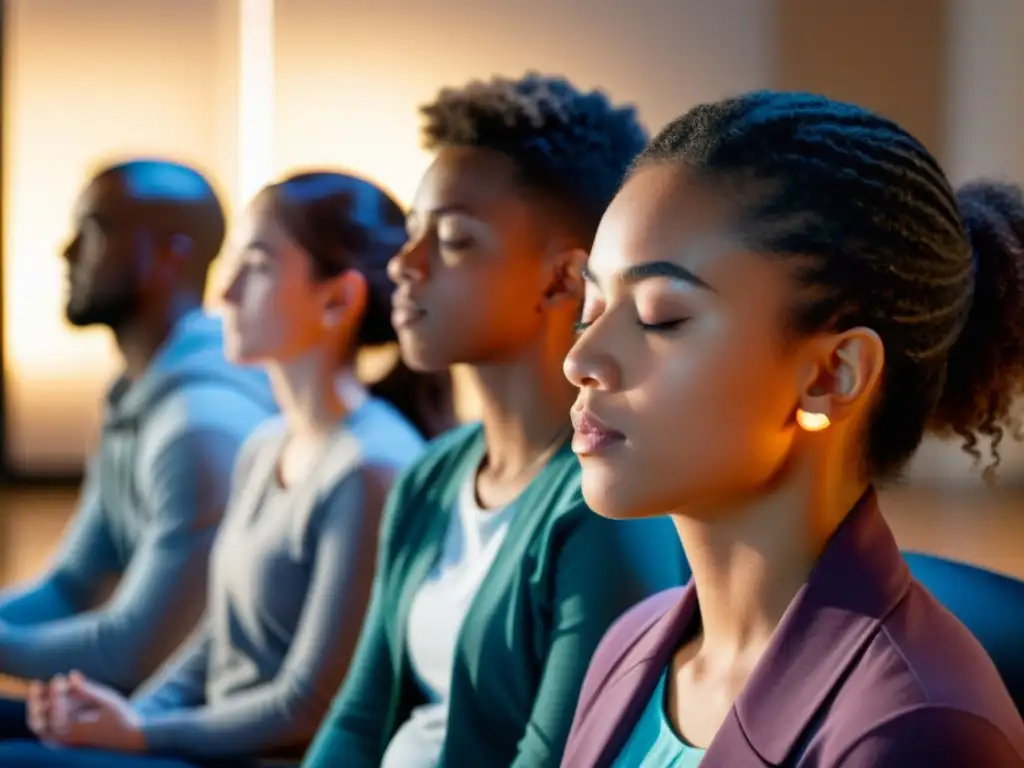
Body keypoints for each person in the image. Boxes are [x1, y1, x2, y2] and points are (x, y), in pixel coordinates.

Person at [560, 91, 1024, 767]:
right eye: (591, 306)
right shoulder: (628, 647)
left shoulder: (918, 731)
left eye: (660, 316)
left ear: (832, 375)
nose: (581, 360)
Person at [0, 172, 454, 767]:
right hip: (202, 741)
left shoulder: (370, 468)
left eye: (258, 267)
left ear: (337, 300)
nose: (226, 294)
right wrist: (132, 718)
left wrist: (144, 735)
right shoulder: (266, 445)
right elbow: (214, 639)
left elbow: (308, 704)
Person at [301, 73, 688, 768]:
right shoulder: (430, 475)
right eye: (412, 233)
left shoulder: (605, 511)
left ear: (563, 281)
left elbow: (558, 756)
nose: (405, 265)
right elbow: (359, 719)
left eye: (450, 240)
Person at [0, 160, 277, 738]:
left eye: (95, 229)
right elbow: (70, 586)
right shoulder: (136, 398)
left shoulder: (200, 426)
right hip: (138, 711)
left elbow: (133, 652)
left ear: (170, 254)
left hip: (195, 730)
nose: (67, 251)